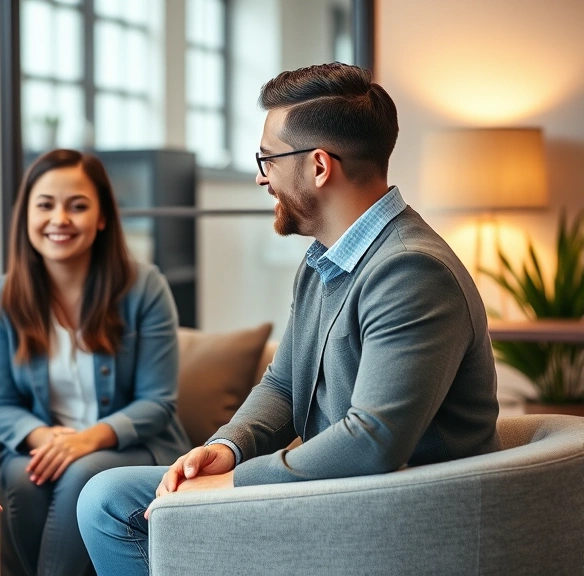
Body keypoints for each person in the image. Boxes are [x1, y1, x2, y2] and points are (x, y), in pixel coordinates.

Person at [77, 62, 501, 574]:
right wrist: (227, 448)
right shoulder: (325, 260)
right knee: (107, 496)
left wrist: (236, 483)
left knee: (115, 506)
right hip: (332, 496)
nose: (261, 176)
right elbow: (283, 383)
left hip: (390, 515)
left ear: (319, 166)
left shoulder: (411, 271)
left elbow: (373, 441)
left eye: (268, 159)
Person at [0, 149, 192, 576]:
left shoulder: (144, 286)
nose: (60, 218)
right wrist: (43, 438)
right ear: (26, 215)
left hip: (132, 449)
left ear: (101, 218)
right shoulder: (3, 297)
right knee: (21, 477)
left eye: (77, 206)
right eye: (45, 205)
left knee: (84, 473)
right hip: (47, 446)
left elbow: (158, 402)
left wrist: (85, 441)